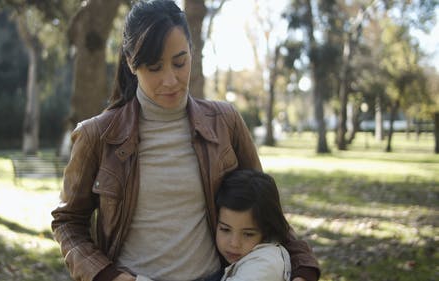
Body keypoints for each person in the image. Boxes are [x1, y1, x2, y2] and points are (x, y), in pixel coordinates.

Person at [51, 1, 320, 281]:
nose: (171, 80)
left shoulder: (225, 121)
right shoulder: (98, 135)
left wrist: (303, 268)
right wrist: (109, 276)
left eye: (180, 62)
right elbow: (68, 221)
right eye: (154, 67)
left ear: (192, 52)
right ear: (131, 62)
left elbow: (263, 208)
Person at [215, 169, 292, 281]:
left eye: (248, 234)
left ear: (267, 229)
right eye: (225, 229)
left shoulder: (265, 266)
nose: (234, 243)